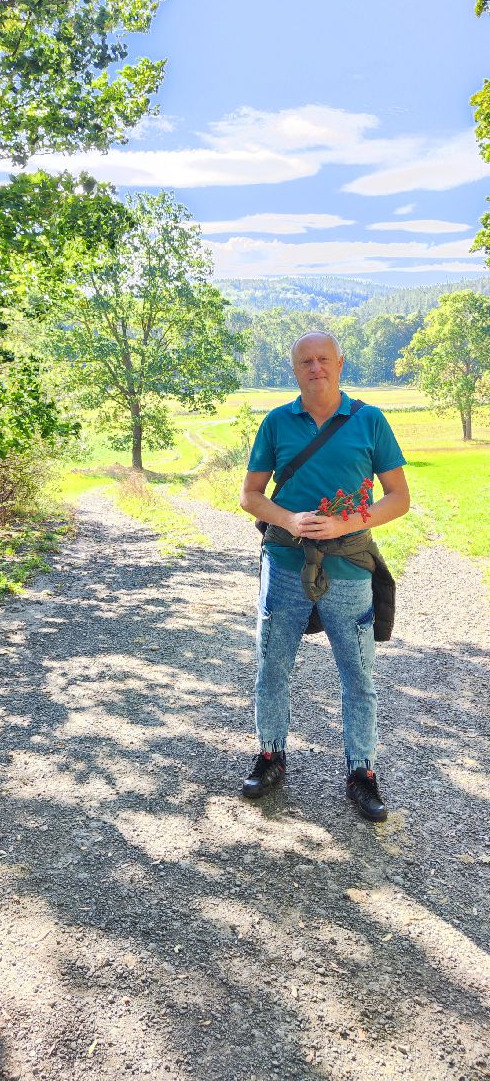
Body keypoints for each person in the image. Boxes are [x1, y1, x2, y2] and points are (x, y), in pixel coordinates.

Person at [239, 331, 410, 821]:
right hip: (284, 564)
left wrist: (345, 523)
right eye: (305, 362)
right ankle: (271, 755)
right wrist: (288, 519)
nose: (315, 368)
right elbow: (250, 495)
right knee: (272, 667)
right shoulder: (276, 422)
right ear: (294, 370)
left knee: (358, 676)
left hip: (349, 568)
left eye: (323, 359)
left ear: (339, 363)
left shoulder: (369, 421)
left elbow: (399, 497)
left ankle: (362, 771)